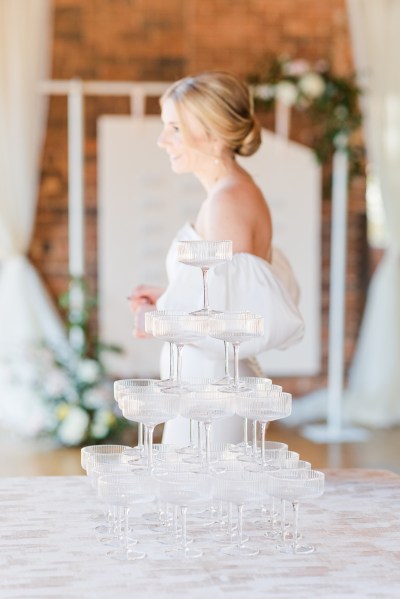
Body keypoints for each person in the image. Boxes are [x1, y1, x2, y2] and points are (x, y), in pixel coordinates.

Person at [129, 71, 304, 445]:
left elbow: (228, 325)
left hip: (214, 392)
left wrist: (155, 319)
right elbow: (224, 296)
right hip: (205, 386)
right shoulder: (230, 193)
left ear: (212, 134)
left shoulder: (228, 202)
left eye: (174, 128)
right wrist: (171, 295)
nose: (163, 141)